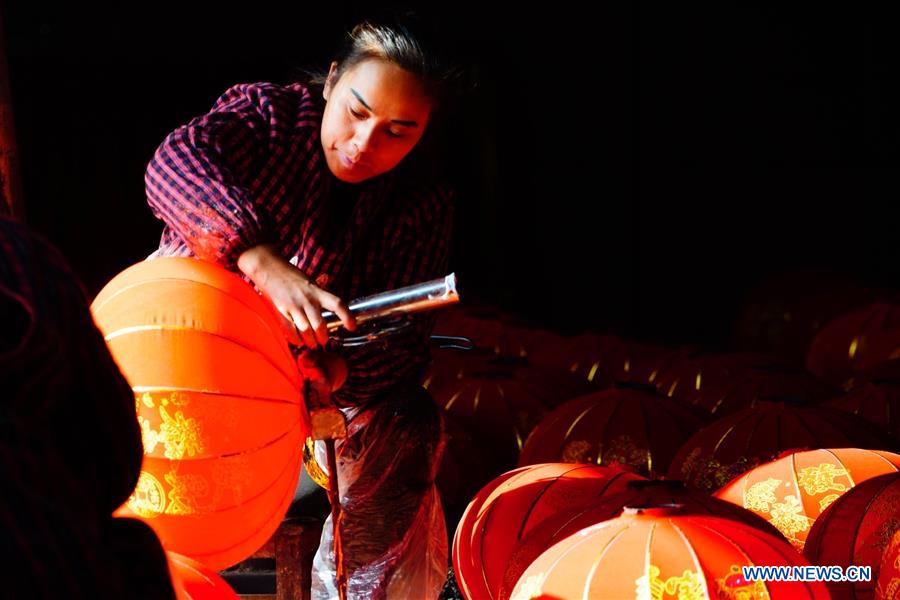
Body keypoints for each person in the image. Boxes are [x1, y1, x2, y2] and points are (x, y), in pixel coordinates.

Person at [144, 16, 463, 599]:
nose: (365, 143)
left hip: (291, 423)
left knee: (408, 420)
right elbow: (174, 162)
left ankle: (358, 593)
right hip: (176, 380)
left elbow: (404, 343)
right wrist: (260, 260)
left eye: (399, 131)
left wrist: (337, 371)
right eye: (357, 112)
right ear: (331, 80)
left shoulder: (419, 202)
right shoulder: (268, 119)